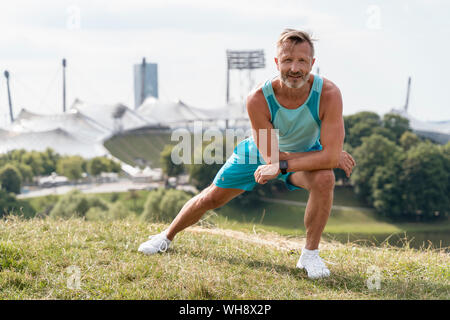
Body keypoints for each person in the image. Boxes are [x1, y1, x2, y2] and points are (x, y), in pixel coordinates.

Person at [138, 28, 356, 279]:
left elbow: (314, 161)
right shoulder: (258, 98)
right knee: (211, 198)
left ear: (312, 64)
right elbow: (273, 158)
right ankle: (166, 236)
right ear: (277, 63)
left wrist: (308, 161)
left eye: (302, 61)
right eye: (287, 60)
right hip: (260, 153)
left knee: (325, 178)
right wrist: (325, 157)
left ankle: (310, 256)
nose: (294, 68)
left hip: (301, 154)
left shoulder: (328, 94)